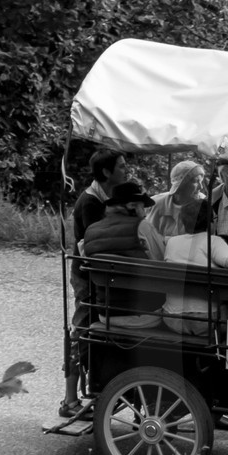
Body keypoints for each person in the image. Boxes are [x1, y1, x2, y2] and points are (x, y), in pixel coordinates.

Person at [61, 148, 132, 417]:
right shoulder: (90, 202)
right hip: (87, 276)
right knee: (81, 331)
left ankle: (94, 391)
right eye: (122, 166)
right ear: (106, 172)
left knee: (96, 330)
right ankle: (70, 401)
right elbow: (96, 244)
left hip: (98, 275)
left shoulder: (106, 196)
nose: (126, 170)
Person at [81, 181, 163, 328]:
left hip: (105, 314)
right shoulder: (142, 226)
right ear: (131, 206)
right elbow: (161, 262)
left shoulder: (91, 230)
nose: (144, 213)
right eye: (142, 206)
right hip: (145, 314)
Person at [140, 160, 210, 260]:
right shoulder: (156, 204)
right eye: (195, 181)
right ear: (181, 185)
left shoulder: (203, 205)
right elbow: (149, 239)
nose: (201, 187)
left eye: (201, 181)